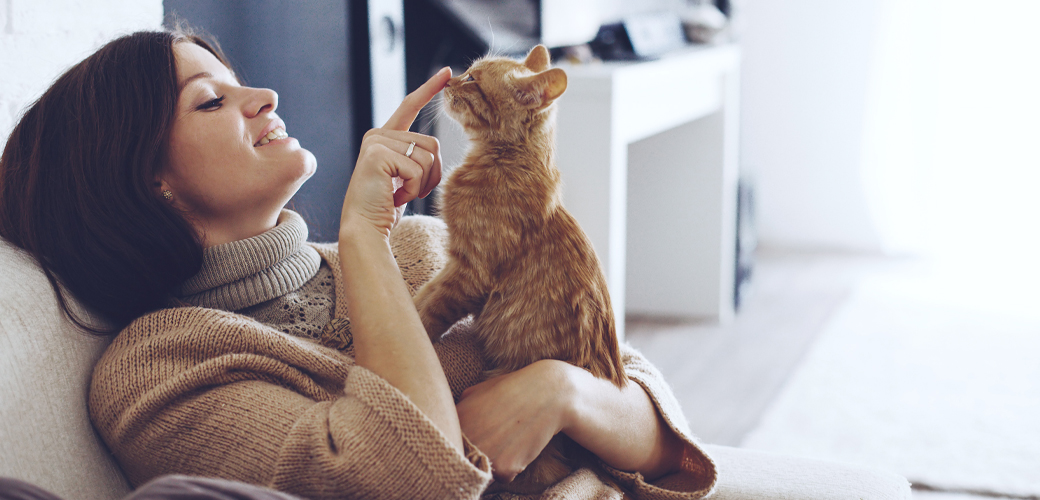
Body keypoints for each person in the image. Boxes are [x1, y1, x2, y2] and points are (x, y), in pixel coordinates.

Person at [0, 28, 717, 499]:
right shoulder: (158, 369)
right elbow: (409, 478)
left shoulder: (422, 249)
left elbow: (658, 434)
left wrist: (560, 391)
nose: (265, 97)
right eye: (212, 101)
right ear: (147, 177)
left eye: (237, 80)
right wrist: (364, 235)